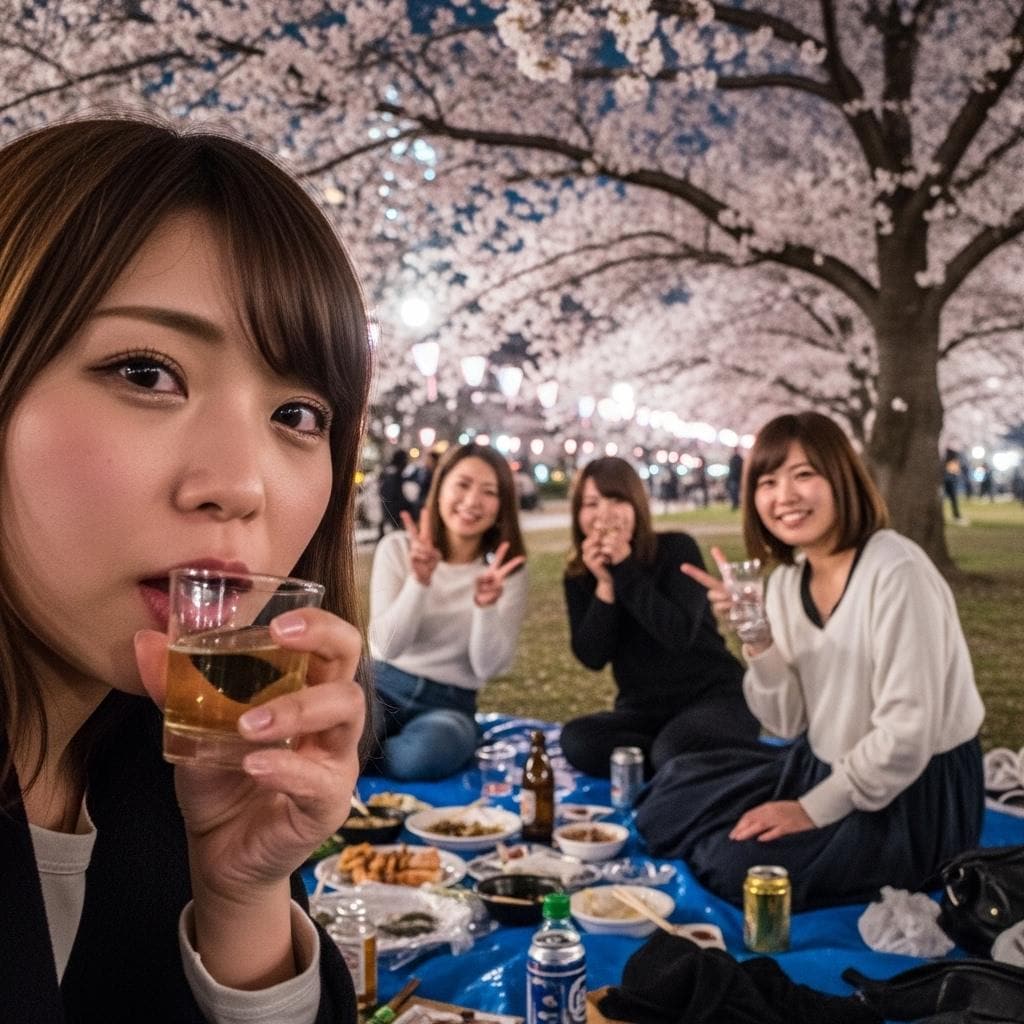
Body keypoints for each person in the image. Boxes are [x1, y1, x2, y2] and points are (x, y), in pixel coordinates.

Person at [0, 117, 372, 1022]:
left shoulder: (160, 761)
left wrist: (241, 895)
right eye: (146, 370)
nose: (241, 485)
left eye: (296, 413)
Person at [636, 412, 985, 911]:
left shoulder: (895, 569)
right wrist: (756, 635)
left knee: (737, 868)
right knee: (668, 799)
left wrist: (809, 809)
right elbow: (785, 720)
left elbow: (909, 734)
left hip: (912, 789)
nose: (785, 497)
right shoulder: (782, 584)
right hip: (819, 762)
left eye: (804, 475)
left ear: (841, 479)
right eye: (768, 481)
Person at [559, 458, 759, 779]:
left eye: (616, 499)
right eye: (591, 503)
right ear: (577, 515)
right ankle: (677, 764)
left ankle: (677, 760)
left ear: (636, 504)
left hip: (714, 696)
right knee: (577, 740)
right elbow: (592, 656)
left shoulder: (677, 549)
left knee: (673, 751)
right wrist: (606, 586)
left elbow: (677, 634)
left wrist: (624, 567)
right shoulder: (580, 576)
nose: (604, 514)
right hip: (643, 712)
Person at [368, 445, 528, 780]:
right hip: (381, 686)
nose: (472, 502)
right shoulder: (397, 548)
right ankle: (359, 749)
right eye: (463, 485)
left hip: (448, 705)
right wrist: (419, 582)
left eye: (489, 492)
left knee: (420, 757)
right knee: (343, 730)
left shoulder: (503, 572)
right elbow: (388, 646)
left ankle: (365, 759)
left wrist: (484, 608)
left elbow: (486, 667)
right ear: (439, 487)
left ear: (501, 506)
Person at [377, 448, 414, 538]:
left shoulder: (387, 472)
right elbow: (395, 495)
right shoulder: (394, 475)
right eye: (405, 460)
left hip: (387, 511)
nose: (406, 463)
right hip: (394, 514)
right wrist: (409, 507)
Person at [943, 448, 964, 522]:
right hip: (948, 477)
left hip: (948, 477)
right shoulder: (951, 452)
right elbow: (953, 468)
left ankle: (956, 515)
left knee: (952, 498)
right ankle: (956, 515)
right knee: (953, 498)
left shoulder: (951, 452)